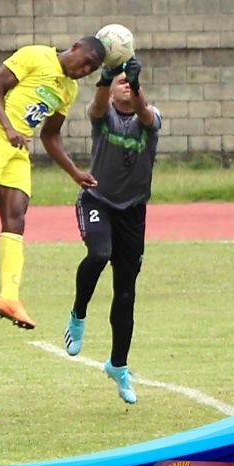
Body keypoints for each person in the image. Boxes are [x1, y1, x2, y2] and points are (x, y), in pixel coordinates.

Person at [0, 37, 107, 330]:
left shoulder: (68, 89)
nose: (85, 70)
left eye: (92, 69)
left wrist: (73, 172)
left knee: (16, 217)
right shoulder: (35, 55)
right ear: (77, 47)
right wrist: (8, 127)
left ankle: (10, 296)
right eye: (87, 62)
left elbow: (50, 134)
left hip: (18, 148)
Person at [63, 58, 162, 404]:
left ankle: (118, 365)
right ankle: (78, 315)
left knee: (125, 293)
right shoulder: (103, 115)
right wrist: (105, 77)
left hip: (132, 212)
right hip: (97, 200)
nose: (124, 85)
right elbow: (98, 104)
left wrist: (135, 85)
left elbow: (146, 112)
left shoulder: (150, 119)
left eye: (129, 82)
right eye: (119, 81)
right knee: (99, 254)